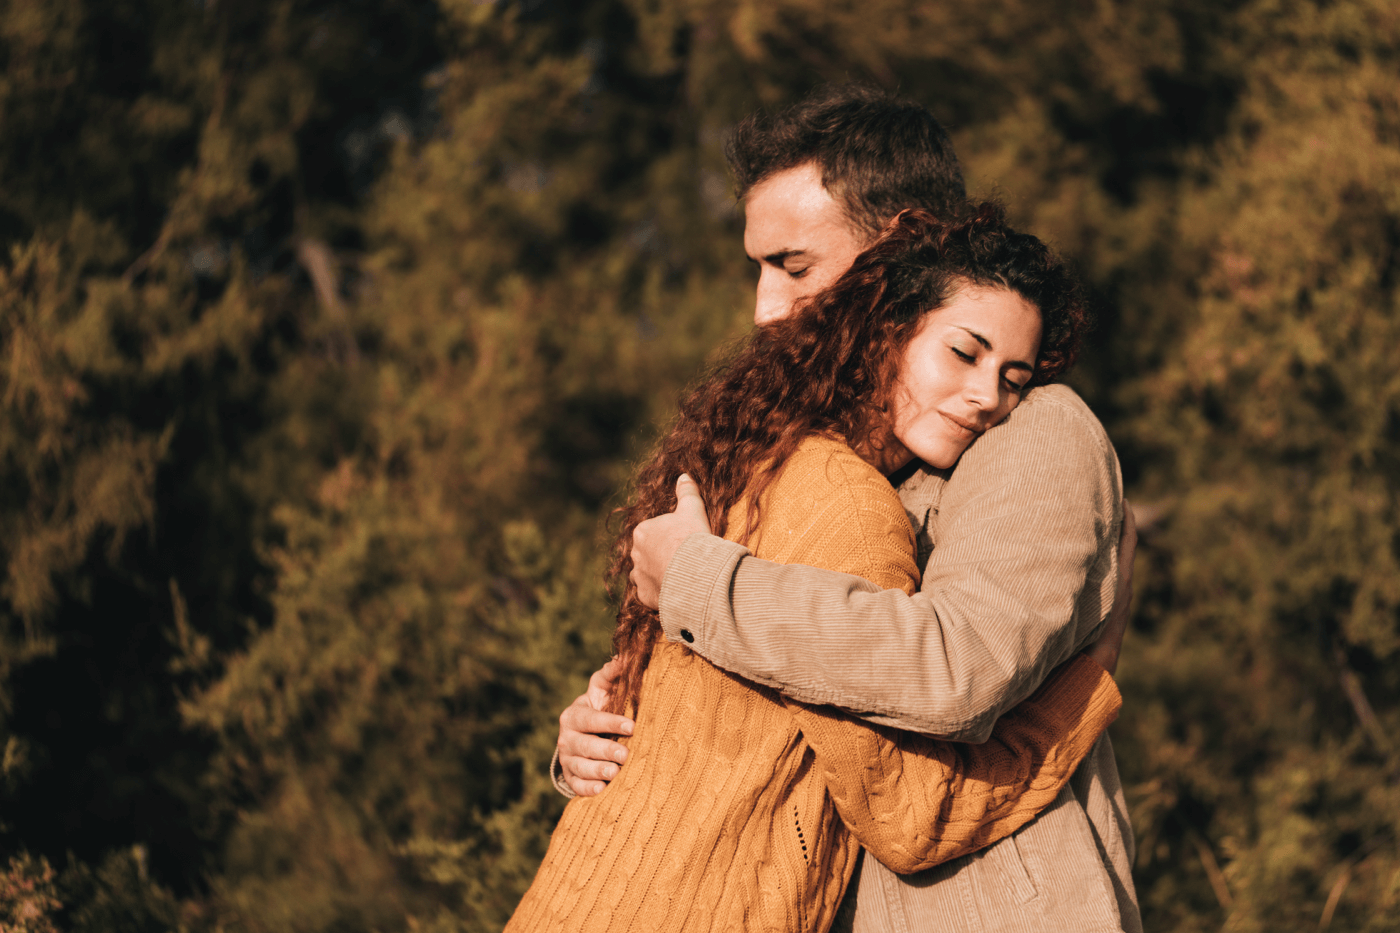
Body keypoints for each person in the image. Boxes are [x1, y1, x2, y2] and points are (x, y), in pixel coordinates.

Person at [558, 86, 1141, 933]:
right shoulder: (838, 460)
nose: (764, 307)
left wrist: (699, 582)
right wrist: (609, 727)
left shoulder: (1035, 428)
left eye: (794, 265)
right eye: (758, 268)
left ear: (897, 257)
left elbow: (956, 671)